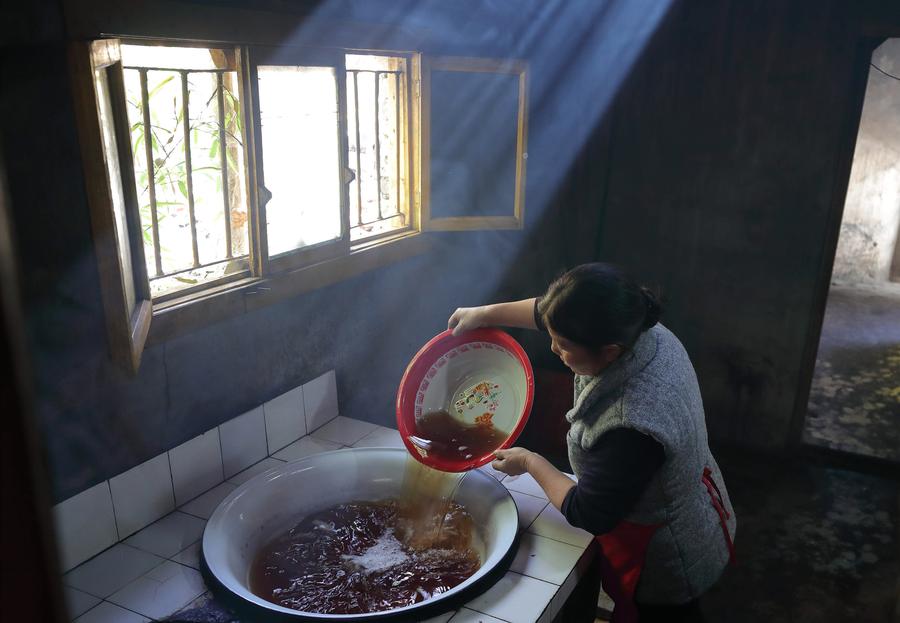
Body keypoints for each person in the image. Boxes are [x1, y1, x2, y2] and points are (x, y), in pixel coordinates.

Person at [447, 263, 736, 623]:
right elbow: (549, 313)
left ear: (610, 351)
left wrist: (529, 462)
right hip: (692, 493)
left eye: (564, 345)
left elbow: (590, 512)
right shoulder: (637, 325)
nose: (553, 349)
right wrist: (484, 315)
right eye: (554, 336)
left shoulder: (632, 422)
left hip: (663, 553)